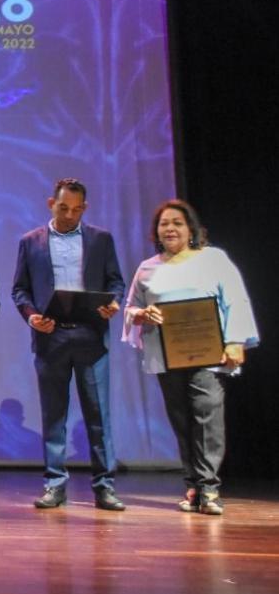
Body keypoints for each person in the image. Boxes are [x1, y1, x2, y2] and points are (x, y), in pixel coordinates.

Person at [122, 199, 258, 516]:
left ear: (191, 228)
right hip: (167, 356)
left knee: (206, 419)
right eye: (164, 224)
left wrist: (236, 341)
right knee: (182, 421)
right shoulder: (147, 267)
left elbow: (235, 300)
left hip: (207, 355)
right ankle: (193, 485)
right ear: (156, 231)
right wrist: (142, 314)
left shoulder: (213, 259)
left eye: (177, 223)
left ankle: (209, 488)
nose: (170, 228)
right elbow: (131, 309)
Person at [11, 178, 126, 511]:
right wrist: (32, 316)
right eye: (63, 208)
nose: (69, 215)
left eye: (76, 210)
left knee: (98, 416)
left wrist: (114, 302)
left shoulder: (100, 239)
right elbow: (20, 290)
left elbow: (115, 281)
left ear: (85, 208)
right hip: (51, 336)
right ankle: (55, 484)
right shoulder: (30, 241)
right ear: (51, 204)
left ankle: (105, 486)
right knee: (54, 414)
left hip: (91, 335)